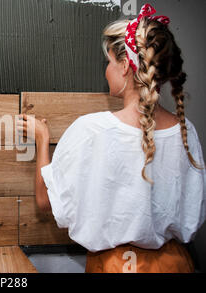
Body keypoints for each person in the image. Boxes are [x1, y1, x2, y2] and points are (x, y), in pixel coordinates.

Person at [16, 4, 206, 273]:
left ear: (126, 66)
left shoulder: (92, 130)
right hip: (176, 264)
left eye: (109, 62)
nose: (106, 70)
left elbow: (46, 202)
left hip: (115, 266)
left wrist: (42, 139)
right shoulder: (186, 132)